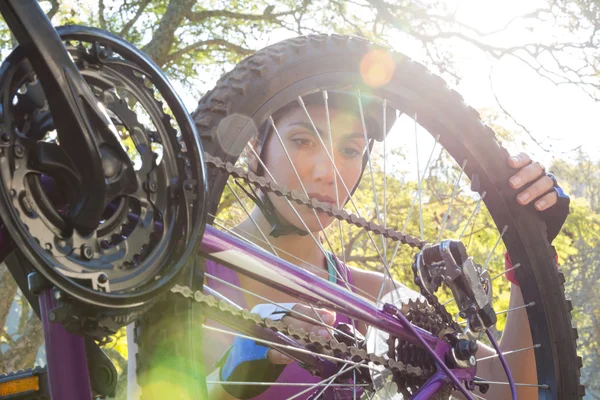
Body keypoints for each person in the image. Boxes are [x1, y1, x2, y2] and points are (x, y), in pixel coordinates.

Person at [202, 91, 570, 400]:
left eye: (350, 149)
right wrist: (229, 376)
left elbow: (513, 386)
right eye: (303, 141)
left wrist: (531, 250)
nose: (327, 170)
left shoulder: (369, 294)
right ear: (255, 148)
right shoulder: (191, 268)